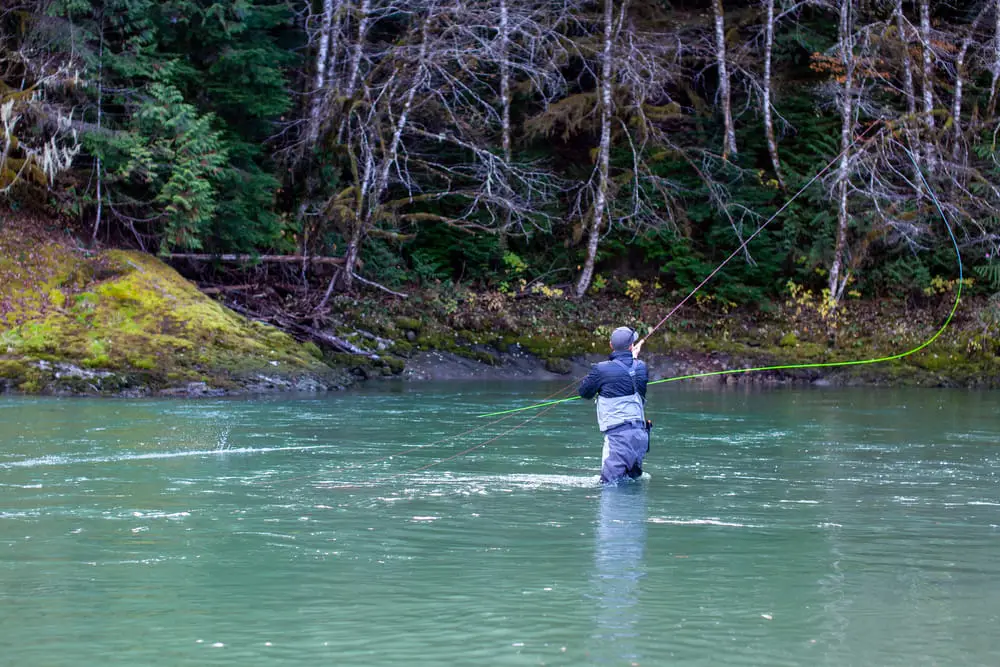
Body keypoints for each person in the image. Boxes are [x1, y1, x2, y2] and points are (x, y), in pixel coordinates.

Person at [578, 326, 650, 484]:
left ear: (611, 345)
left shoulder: (601, 369)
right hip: (640, 436)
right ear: (631, 346)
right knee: (631, 485)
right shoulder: (641, 367)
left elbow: (585, 393)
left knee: (608, 486)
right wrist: (634, 358)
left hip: (618, 439)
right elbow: (639, 387)